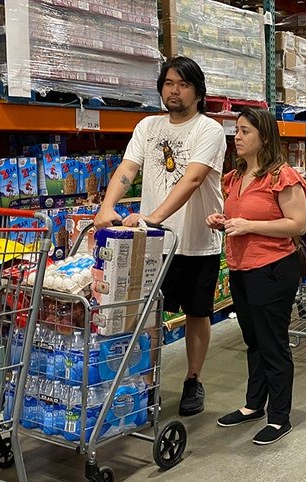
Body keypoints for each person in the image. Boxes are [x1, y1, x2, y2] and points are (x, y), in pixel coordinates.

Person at [95, 56, 225, 417]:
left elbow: (193, 178)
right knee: (148, 314)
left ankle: (193, 379)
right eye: (168, 83)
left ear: (198, 92)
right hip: (154, 244)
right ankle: (148, 382)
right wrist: (107, 207)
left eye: (182, 84)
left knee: (198, 314)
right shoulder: (148, 127)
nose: (174, 90)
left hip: (196, 241)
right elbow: (128, 168)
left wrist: (154, 217)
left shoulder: (209, 130)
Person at [206, 108, 306, 445]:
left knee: (273, 342)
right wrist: (222, 220)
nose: (238, 137)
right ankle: (254, 405)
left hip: (273, 268)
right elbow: (241, 217)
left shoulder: (281, 176)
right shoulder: (234, 178)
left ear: (264, 136)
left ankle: (280, 417)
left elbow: (297, 225)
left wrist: (249, 226)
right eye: (236, 131)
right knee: (253, 340)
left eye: (245, 131)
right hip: (241, 268)